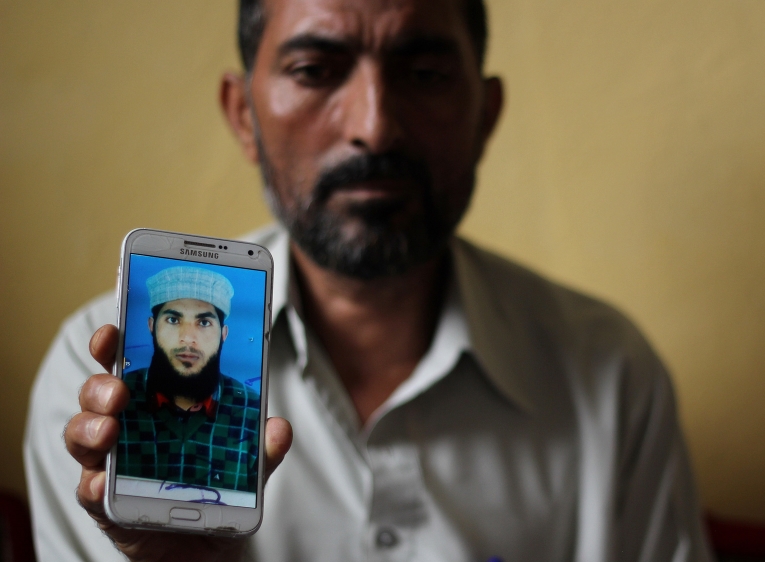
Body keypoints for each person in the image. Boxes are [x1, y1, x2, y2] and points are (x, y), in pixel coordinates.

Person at [24, 0, 715, 560]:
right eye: (316, 70)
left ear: (487, 115)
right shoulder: (94, 392)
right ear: (244, 116)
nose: (375, 127)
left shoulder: (614, 376)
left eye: (424, 74)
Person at [116, 266, 260, 494]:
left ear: (223, 334)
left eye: (203, 323)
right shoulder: (117, 400)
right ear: (152, 327)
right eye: (173, 320)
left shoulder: (253, 411)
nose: (188, 338)